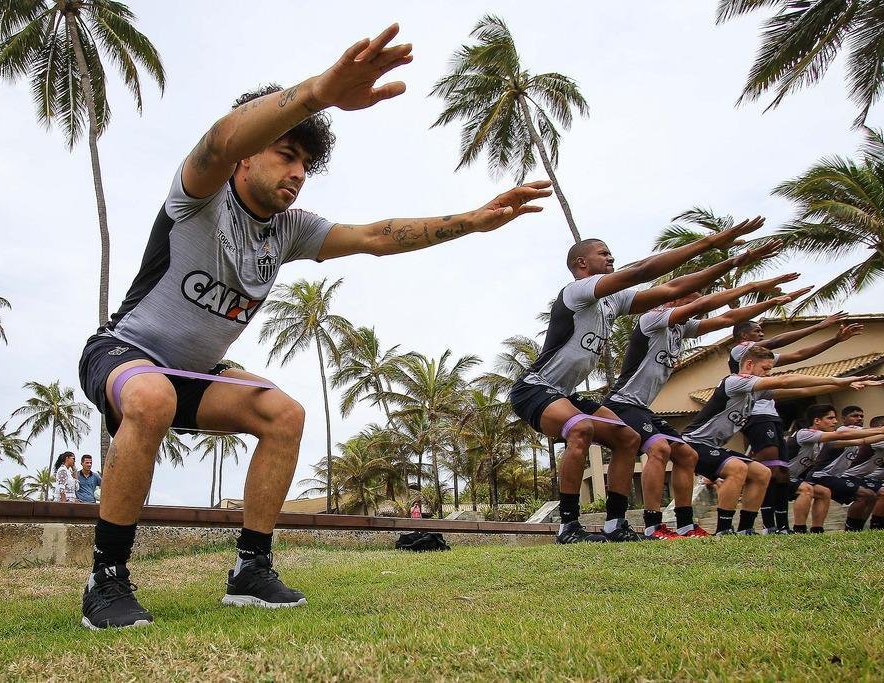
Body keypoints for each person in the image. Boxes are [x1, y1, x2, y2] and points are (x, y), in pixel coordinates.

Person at [76, 24, 552, 630]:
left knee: (285, 413)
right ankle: (107, 578)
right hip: (127, 354)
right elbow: (220, 138)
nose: (298, 172)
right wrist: (319, 91)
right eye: (286, 153)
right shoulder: (198, 195)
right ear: (249, 154)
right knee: (152, 395)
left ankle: (250, 569)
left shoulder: (290, 230)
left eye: (306, 162)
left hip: (196, 374)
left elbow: (376, 236)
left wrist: (472, 221)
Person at [510, 217, 776, 543]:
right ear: (581, 263)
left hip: (564, 393)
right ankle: (568, 527)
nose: (610, 258)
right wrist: (709, 243)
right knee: (581, 428)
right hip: (535, 387)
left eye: (611, 254)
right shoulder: (577, 292)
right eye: (603, 253)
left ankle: (615, 525)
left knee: (628, 439)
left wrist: (732, 263)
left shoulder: (615, 300)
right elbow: (642, 271)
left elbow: (675, 288)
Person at [602, 272, 811, 539]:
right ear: (673, 297)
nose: (693, 313)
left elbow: (725, 319)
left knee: (687, 455)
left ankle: (686, 525)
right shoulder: (652, 319)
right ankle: (653, 526)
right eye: (690, 301)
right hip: (622, 401)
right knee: (659, 448)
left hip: (642, 407)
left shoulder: (681, 328)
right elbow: (704, 307)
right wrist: (756, 286)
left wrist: (770, 302)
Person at [681, 346, 884, 535]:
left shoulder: (756, 391)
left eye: (770, 369)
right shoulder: (734, 382)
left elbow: (802, 391)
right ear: (749, 364)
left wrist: (844, 384)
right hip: (693, 443)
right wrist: (837, 380)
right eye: (765, 368)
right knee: (737, 468)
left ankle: (745, 529)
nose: (768, 373)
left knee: (762, 473)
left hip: (711, 446)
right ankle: (724, 529)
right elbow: (786, 380)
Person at [728, 315, 863, 534]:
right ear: (744, 336)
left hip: (771, 416)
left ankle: (781, 526)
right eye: (757, 331)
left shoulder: (762, 357)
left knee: (781, 472)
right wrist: (819, 326)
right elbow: (777, 341)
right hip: (754, 415)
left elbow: (800, 354)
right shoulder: (740, 351)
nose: (762, 334)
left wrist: (834, 340)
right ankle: (758, 518)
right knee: (769, 468)